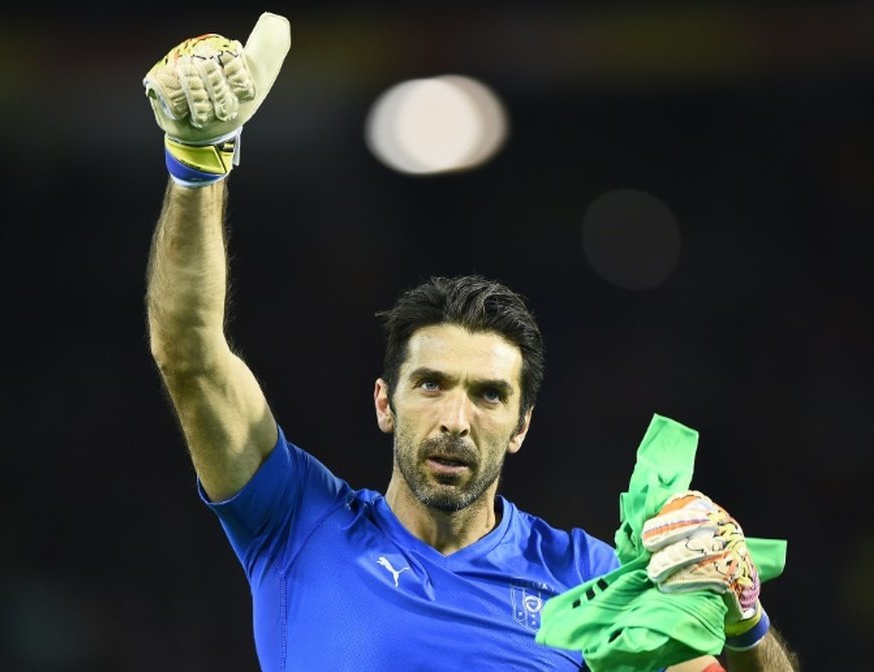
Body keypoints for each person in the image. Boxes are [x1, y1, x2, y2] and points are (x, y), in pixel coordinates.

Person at [142, 13, 798, 672]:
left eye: (488, 395)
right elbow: (190, 358)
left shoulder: (587, 585)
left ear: (521, 426)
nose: (456, 420)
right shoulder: (295, 523)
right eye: (431, 385)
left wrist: (744, 619)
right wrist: (198, 168)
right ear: (384, 402)